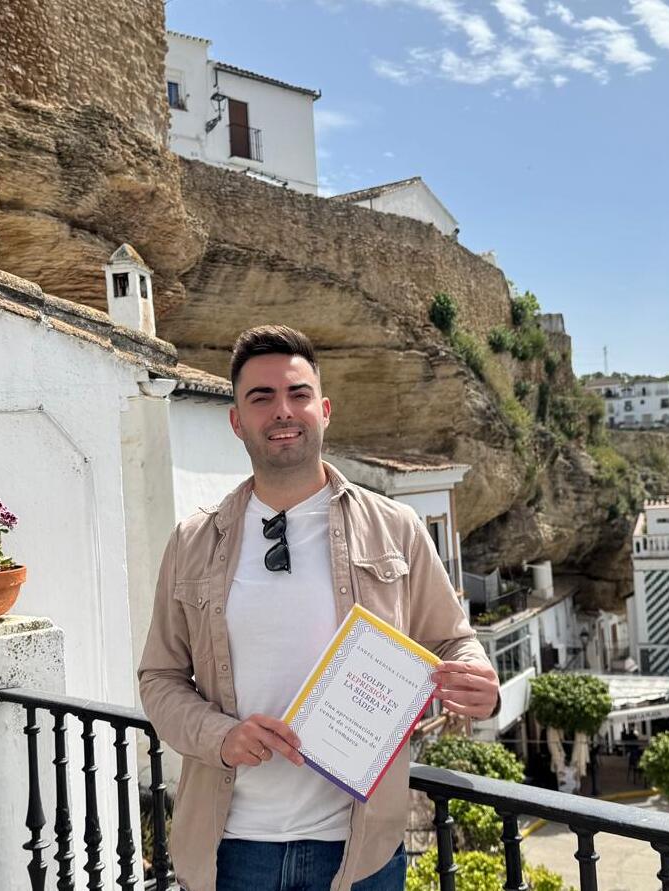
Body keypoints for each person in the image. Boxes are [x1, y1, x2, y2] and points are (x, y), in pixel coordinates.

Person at [138, 326, 501, 891]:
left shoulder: (396, 528)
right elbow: (159, 677)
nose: (283, 411)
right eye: (261, 397)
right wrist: (219, 735)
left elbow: (452, 639)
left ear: (324, 410)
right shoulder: (192, 541)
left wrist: (477, 676)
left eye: (298, 394)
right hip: (231, 852)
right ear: (237, 421)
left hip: (360, 853)